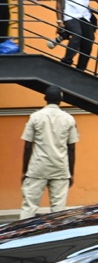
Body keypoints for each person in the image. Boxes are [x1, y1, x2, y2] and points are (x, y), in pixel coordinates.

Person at [20, 85, 78, 220]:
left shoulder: (35, 117)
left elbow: (28, 146)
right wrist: (71, 173)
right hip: (60, 168)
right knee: (58, 210)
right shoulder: (68, 119)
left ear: (45, 98)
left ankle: (21, 238)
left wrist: (24, 171)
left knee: (29, 207)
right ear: (61, 100)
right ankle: (55, 239)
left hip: (37, 167)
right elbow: (71, 148)